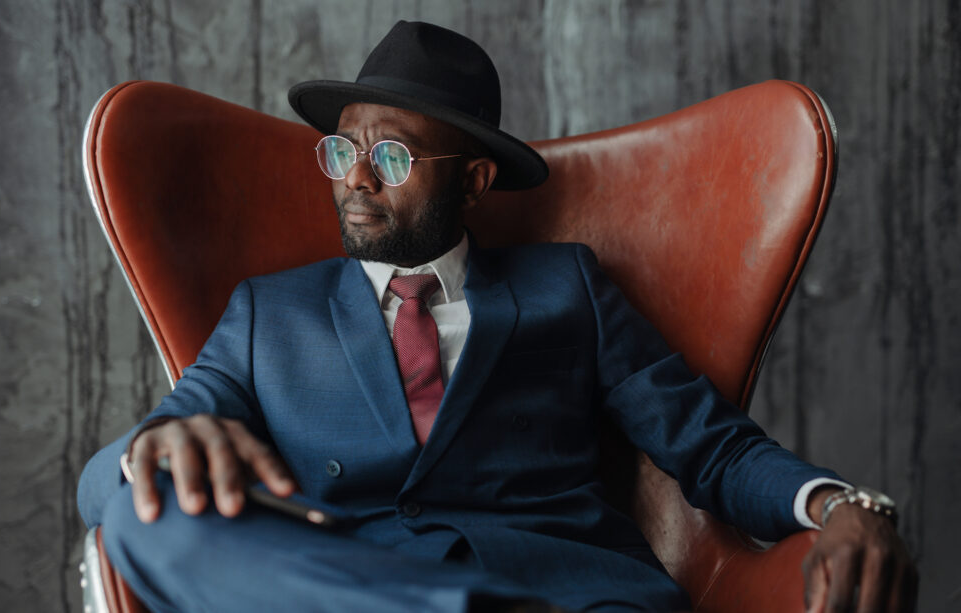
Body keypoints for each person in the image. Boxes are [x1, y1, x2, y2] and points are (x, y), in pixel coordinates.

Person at [78, 20, 915, 613]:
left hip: (571, 591)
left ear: (475, 181)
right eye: (342, 149)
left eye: (393, 155)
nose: (356, 178)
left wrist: (844, 503)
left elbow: (713, 446)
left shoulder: (569, 289)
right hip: (354, 591)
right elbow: (130, 465)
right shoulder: (269, 313)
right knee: (136, 513)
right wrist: (148, 448)